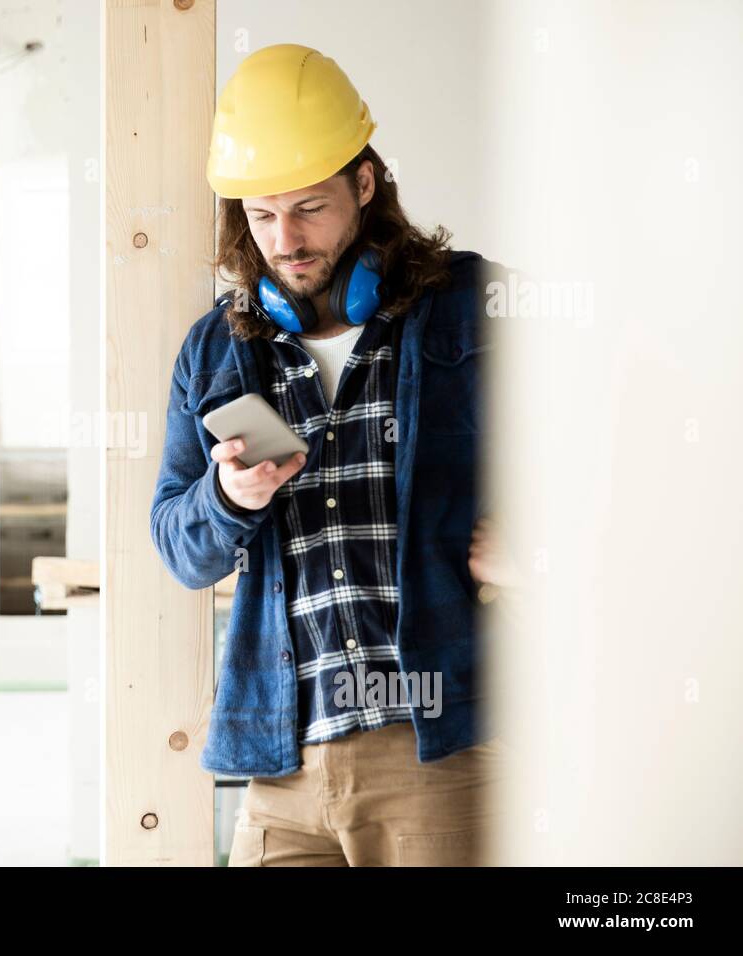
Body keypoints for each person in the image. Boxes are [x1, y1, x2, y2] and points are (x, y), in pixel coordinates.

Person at [148, 43, 522, 866]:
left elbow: (621, 440)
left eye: (309, 207)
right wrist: (230, 499)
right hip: (279, 758)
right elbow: (177, 543)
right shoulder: (214, 350)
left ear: (364, 184)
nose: (286, 239)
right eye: (261, 215)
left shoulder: (473, 305)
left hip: (437, 746)